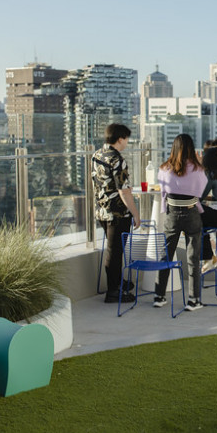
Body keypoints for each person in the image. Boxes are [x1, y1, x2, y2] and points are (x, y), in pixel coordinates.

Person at [155, 134, 208, 310]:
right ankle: (194, 300)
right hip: (191, 211)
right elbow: (200, 192)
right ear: (191, 149)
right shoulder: (198, 169)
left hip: (172, 213)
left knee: (166, 254)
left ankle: (159, 296)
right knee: (192, 258)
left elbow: (163, 191)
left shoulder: (163, 168)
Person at [92, 123, 141, 305]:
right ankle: (113, 292)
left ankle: (119, 283)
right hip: (117, 214)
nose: (127, 142)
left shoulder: (97, 155)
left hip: (101, 210)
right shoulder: (118, 159)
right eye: (127, 139)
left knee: (113, 250)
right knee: (115, 252)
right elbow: (124, 190)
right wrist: (135, 214)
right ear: (120, 139)